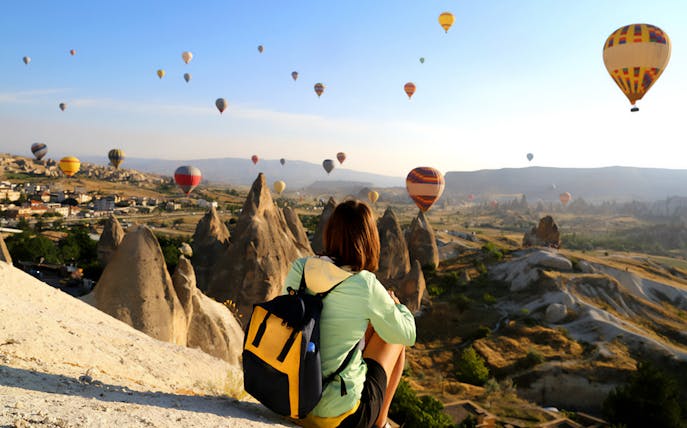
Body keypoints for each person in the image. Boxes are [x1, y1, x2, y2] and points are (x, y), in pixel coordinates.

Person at [283, 200, 416, 428]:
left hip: (290, 402)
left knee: (368, 325)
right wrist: (398, 306)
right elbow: (407, 335)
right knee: (392, 336)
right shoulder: (365, 284)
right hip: (338, 417)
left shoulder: (300, 268)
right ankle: (380, 422)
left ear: (330, 232)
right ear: (369, 240)